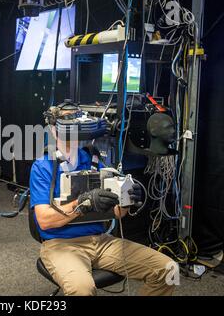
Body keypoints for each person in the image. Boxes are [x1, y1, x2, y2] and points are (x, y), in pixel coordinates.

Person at [29, 104, 176, 296]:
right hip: (61, 244)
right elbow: (45, 221)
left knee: (168, 270)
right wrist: (83, 203)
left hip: (101, 241)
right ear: (54, 129)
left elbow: (116, 214)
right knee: (82, 289)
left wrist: (127, 200)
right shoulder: (43, 166)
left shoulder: (94, 160)